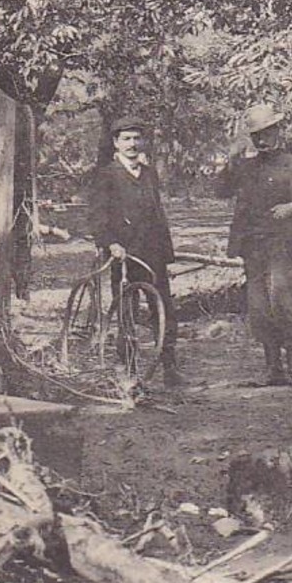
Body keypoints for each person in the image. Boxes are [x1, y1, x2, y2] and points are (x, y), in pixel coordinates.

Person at [220, 104, 292, 390]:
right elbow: (221, 191)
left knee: (286, 304)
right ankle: (273, 369)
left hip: (286, 246)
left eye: (267, 132)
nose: (262, 140)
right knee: (259, 309)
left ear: (277, 131)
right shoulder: (244, 167)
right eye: (256, 135)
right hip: (253, 247)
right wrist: (230, 161)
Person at [85, 114, 181, 386]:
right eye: (126, 139)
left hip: (153, 253)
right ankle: (129, 368)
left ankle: (169, 366)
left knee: (163, 309)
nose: (132, 144)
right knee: (126, 310)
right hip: (124, 255)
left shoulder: (148, 173)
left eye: (137, 138)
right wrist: (111, 243)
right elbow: (97, 216)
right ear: (116, 143)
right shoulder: (106, 175)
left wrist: (166, 250)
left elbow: (157, 212)